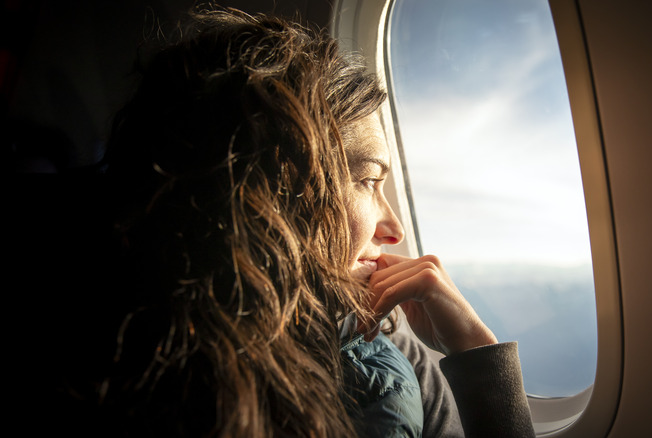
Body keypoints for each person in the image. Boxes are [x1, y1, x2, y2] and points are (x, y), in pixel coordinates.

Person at [99, 6, 535, 437]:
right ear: (272, 192)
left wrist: (476, 350)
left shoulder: (387, 342)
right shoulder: (144, 386)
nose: (395, 229)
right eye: (367, 180)